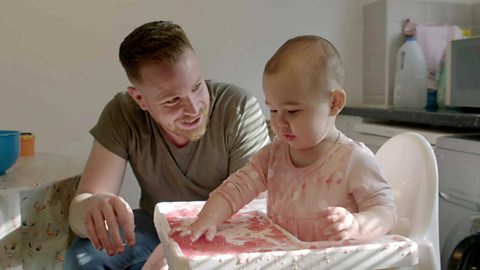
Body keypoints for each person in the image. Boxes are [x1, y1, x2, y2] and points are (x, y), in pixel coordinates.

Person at [64, 20, 270, 270]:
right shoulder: (123, 113)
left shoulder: (238, 109)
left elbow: (252, 214)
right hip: (155, 226)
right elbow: (81, 208)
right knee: (83, 258)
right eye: (172, 100)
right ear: (139, 98)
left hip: (225, 226)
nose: (193, 108)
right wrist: (91, 208)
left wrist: (179, 248)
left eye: (197, 86)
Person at [181, 35, 397, 244]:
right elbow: (235, 189)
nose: (279, 122)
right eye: (273, 109)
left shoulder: (354, 160)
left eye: (292, 111)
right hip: (283, 258)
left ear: (334, 103)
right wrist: (209, 218)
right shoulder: (272, 155)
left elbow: (386, 212)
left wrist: (357, 225)